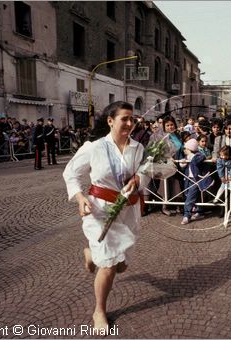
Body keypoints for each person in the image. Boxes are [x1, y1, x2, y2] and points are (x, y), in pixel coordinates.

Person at [62, 101, 145, 330]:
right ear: (110, 121)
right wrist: (80, 198)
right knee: (108, 265)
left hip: (127, 212)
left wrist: (140, 178)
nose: (130, 123)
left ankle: (90, 254)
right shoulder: (93, 147)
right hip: (99, 211)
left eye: (132, 119)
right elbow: (71, 174)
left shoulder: (138, 148)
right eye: (124, 119)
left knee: (121, 266)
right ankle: (99, 311)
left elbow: (156, 170)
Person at [179, 138, 213, 225]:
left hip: (196, 180)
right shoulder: (188, 156)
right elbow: (185, 167)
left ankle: (187, 215)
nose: (184, 150)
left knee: (190, 198)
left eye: (185, 148)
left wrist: (190, 155)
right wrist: (183, 163)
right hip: (188, 179)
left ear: (190, 149)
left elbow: (198, 160)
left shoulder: (198, 155)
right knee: (194, 196)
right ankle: (199, 210)